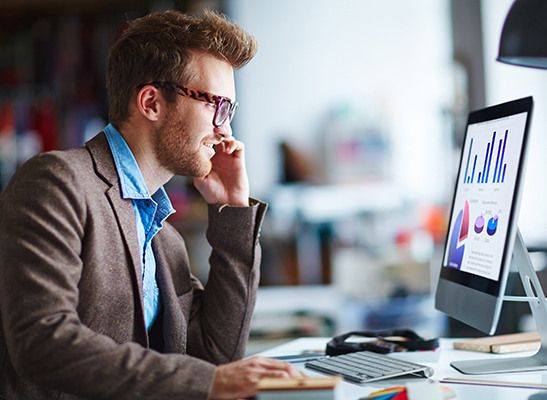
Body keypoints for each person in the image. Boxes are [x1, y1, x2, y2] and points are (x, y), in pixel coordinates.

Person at [0, 9, 304, 400]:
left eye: (229, 111)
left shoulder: (163, 238)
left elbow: (216, 355)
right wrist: (210, 382)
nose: (224, 129)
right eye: (217, 106)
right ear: (151, 102)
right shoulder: (57, 183)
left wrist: (233, 213)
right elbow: (42, 341)